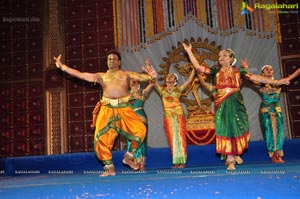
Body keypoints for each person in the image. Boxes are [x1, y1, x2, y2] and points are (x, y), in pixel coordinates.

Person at [183, 43, 290, 170]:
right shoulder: (215, 71)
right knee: (226, 128)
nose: (221, 57)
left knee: (239, 127)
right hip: (223, 104)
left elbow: (256, 77)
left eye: (225, 55)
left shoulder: (239, 72)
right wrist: (189, 51)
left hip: (236, 103)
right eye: (220, 55)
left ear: (231, 59)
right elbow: (198, 67)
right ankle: (230, 158)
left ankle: (236, 151)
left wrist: (276, 82)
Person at [53, 50, 156, 176]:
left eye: (114, 59)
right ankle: (110, 168)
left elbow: (142, 77)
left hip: (123, 108)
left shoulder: (126, 74)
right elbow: (81, 75)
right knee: (101, 139)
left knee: (140, 130)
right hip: (106, 109)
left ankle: (128, 156)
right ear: (107, 62)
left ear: (119, 62)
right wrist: (62, 66)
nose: (111, 60)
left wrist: (151, 76)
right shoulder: (101, 76)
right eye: (109, 59)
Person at [144, 66, 196, 168]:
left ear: (175, 80)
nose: (169, 77)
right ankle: (176, 161)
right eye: (168, 76)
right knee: (172, 139)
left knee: (180, 138)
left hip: (178, 116)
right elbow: (153, 81)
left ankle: (183, 161)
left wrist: (194, 70)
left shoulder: (179, 89)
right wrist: (151, 73)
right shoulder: (162, 90)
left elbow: (189, 80)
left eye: (172, 76)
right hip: (168, 116)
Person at [127, 75, 154, 171]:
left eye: (136, 82)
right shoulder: (125, 95)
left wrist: (149, 72)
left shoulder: (142, 93)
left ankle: (141, 164)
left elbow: (152, 83)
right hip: (131, 120)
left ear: (139, 84)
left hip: (141, 118)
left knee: (142, 141)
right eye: (132, 82)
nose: (134, 84)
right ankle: (134, 162)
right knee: (132, 140)